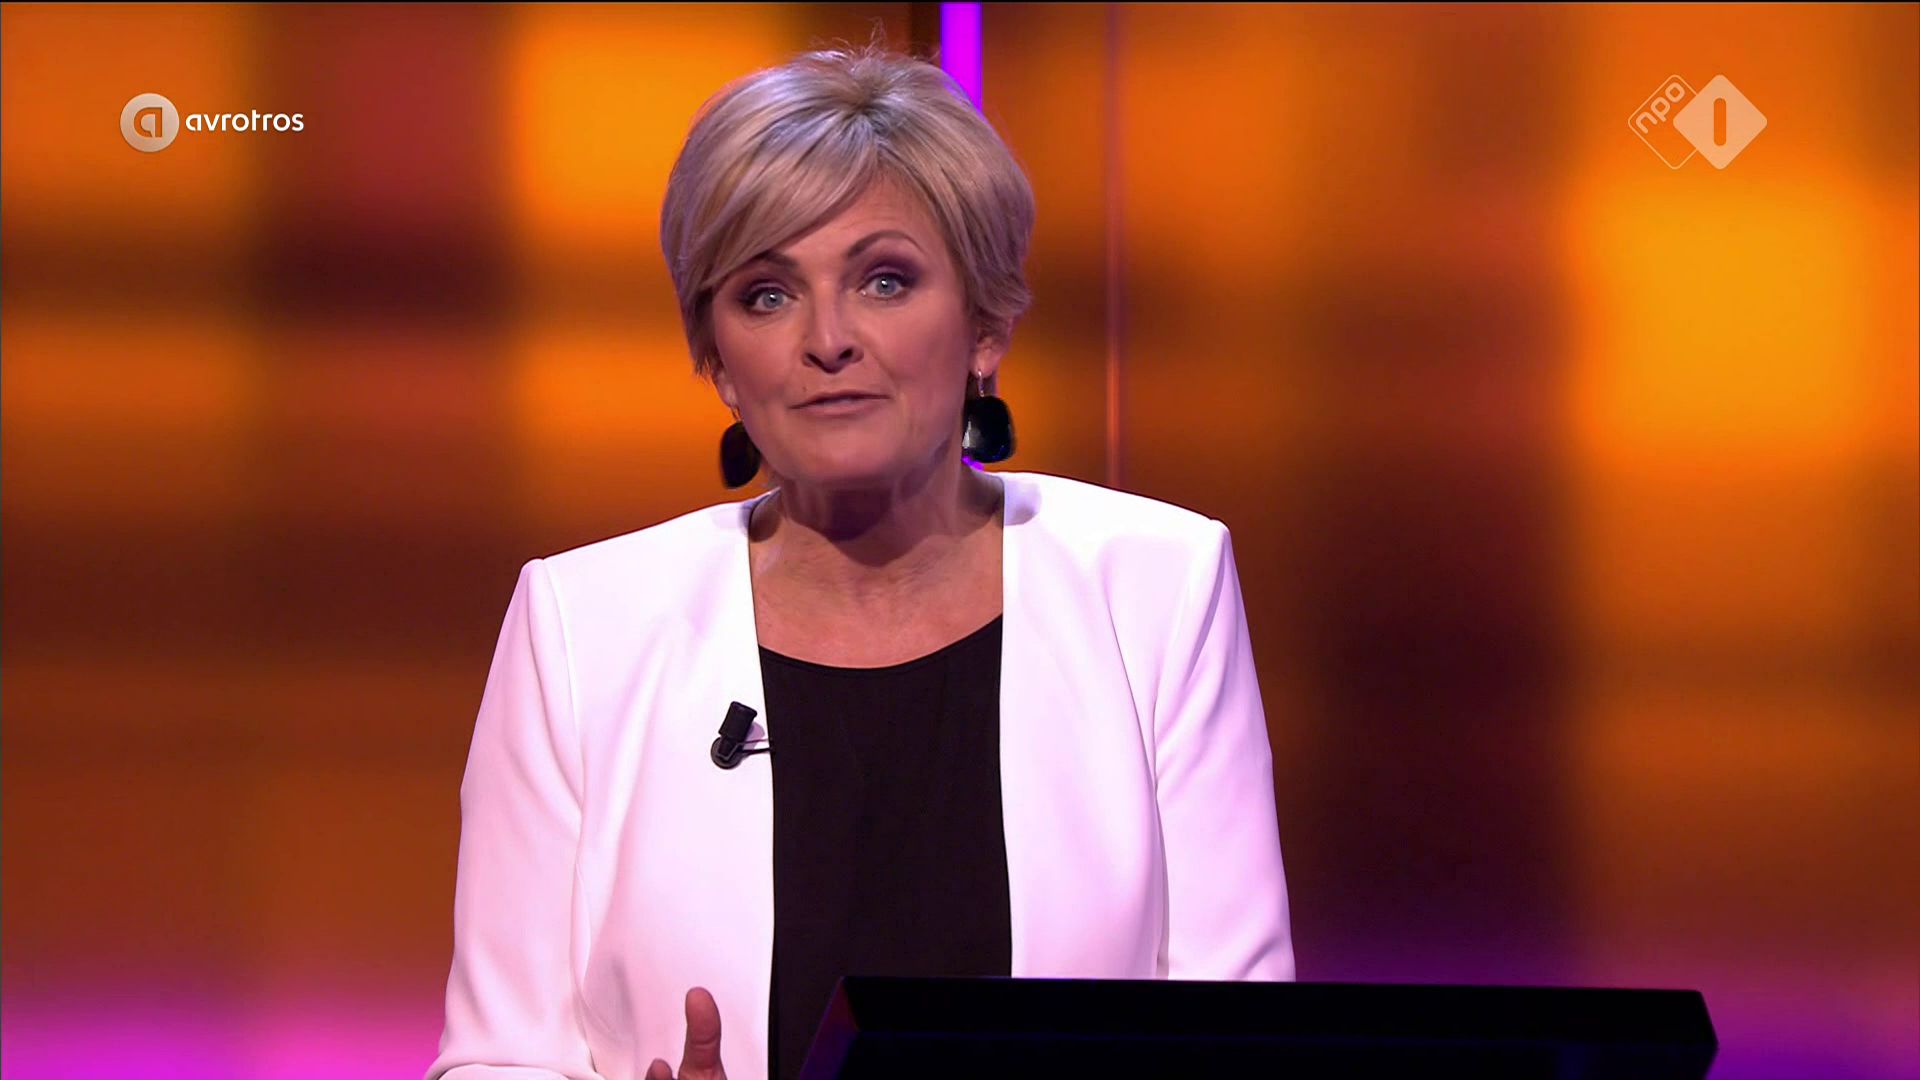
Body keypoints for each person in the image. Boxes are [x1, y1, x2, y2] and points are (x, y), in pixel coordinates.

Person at [425, 40, 1292, 1080]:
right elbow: (497, 1058)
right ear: (716, 359)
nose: (827, 338)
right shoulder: (581, 623)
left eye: (885, 280)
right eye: (766, 294)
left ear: (985, 325)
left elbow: (1238, 1039)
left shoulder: (1159, 585)